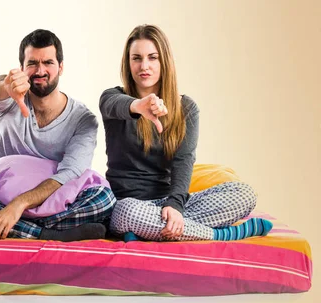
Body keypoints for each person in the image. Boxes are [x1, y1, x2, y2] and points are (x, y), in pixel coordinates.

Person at [99, 24, 272, 242]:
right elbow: (113, 105)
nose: (144, 65)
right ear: (128, 62)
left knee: (244, 194)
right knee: (127, 213)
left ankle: (154, 230)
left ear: (164, 61)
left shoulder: (187, 108)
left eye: (153, 57)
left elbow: (183, 160)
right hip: (130, 205)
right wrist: (139, 106)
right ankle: (219, 235)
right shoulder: (113, 98)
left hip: (169, 203)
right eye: (137, 58)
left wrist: (175, 206)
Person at [0, 29, 116, 241]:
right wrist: (6, 85)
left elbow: (67, 175)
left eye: (48, 62)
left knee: (104, 200)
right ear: (22, 68)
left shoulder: (83, 119)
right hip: (2, 198)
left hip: (56, 203)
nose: (40, 70)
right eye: (32, 63)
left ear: (61, 66)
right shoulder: (10, 100)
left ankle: (5, 226)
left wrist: (19, 204)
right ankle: (44, 233)